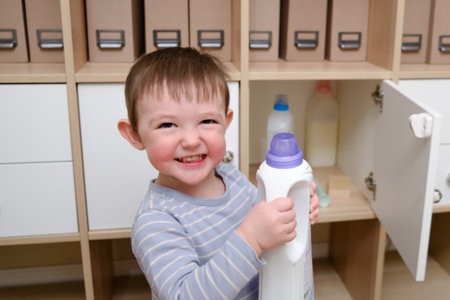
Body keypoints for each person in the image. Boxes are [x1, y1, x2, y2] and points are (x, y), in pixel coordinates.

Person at [118, 47, 320, 300]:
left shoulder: (231, 177)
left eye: (207, 121)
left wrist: (293, 210)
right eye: (167, 124)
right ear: (134, 135)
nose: (191, 140)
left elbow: (265, 215)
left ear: (226, 121)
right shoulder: (155, 221)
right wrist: (252, 237)